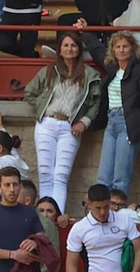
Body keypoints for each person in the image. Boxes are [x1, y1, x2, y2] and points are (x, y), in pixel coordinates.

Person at [21, 31, 102, 209]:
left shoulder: (89, 74)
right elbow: (29, 92)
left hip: (70, 126)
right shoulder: (49, 71)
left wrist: (84, 122)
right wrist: (41, 108)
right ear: (60, 49)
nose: (69, 49)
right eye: (66, 45)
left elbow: (96, 102)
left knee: (61, 175)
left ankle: (56, 214)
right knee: (45, 172)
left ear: (79, 49)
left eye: (73, 45)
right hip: (46, 124)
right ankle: (45, 214)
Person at [90, 30, 140, 195]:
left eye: (125, 46)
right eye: (118, 47)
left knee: (120, 177)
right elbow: (97, 50)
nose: (121, 50)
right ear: (113, 50)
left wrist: (138, 117)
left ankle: (117, 208)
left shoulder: (139, 71)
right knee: (103, 175)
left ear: (132, 49)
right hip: (111, 122)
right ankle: (101, 206)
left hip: (128, 123)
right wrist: (84, 32)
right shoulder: (113, 69)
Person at [64, 183, 140, 272]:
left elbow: (139, 250)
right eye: (98, 208)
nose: (102, 212)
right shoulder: (79, 228)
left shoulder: (125, 220)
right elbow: (71, 264)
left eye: (106, 207)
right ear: (89, 205)